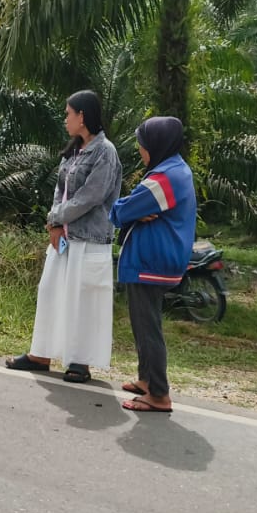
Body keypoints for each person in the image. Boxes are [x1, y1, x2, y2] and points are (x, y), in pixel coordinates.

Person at [5, 90, 122, 383]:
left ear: (82, 117)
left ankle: (79, 362)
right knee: (50, 293)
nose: (65, 119)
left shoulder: (105, 152)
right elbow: (61, 189)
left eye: (68, 113)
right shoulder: (74, 150)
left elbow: (90, 196)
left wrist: (56, 218)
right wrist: (54, 223)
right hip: (64, 237)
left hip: (90, 238)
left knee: (83, 300)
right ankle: (40, 354)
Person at [112, 116, 197, 414]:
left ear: (157, 143)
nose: (139, 150)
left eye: (142, 144)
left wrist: (127, 209)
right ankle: (146, 380)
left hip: (150, 261)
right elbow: (133, 209)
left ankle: (159, 394)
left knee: (148, 327)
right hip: (157, 259)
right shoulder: (175, 170)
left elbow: (121, 211)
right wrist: (134, 209)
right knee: (144, 323)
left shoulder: (164, 178)